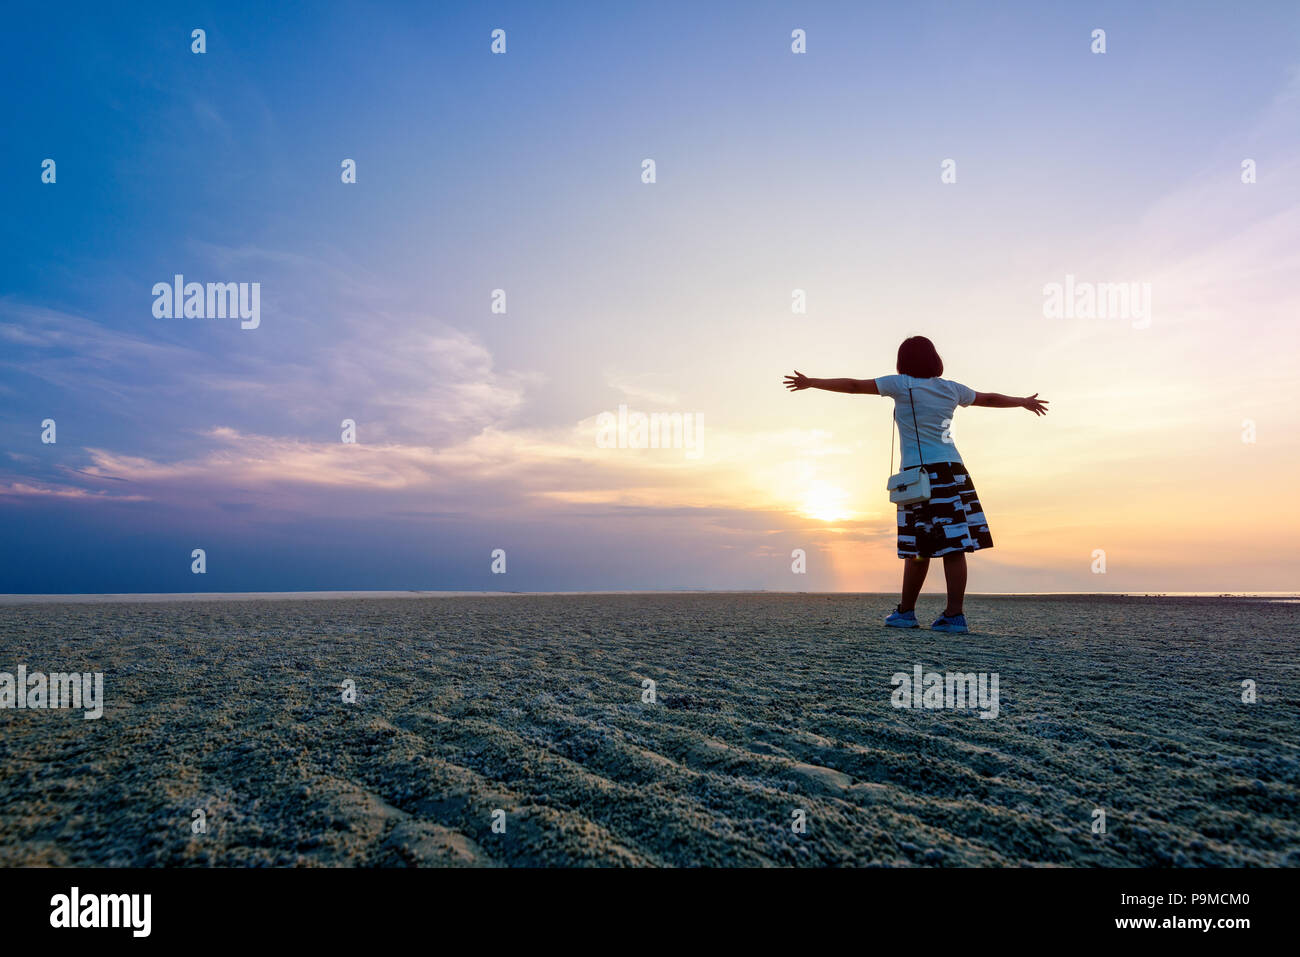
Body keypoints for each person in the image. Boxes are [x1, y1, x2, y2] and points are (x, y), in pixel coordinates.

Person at [783, 336, 1048, 633]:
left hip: (920, 476)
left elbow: (855, 386)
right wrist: (1022, 402)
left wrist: (812, 382)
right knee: (955, 546)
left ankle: (906, 612)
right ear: (934, 358)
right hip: (953, 471)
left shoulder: (901, 384)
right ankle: (954, 616)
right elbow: (988, 399)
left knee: (918, 546)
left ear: (903, 361)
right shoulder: (951, 389)